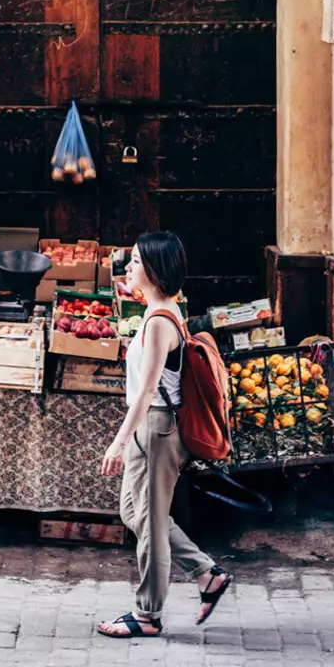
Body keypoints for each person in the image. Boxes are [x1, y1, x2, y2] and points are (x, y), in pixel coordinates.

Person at [96, 230, 232, 638]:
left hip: (157, 428)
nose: (129, 268)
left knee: (152, 522)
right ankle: (207, 573)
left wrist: (118, 441)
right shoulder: (162, 310)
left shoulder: (159, 322)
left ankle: (147, 615)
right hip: (148, 426)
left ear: (154, 270)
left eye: (136, 261)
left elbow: (148, 389)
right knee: (133, 513)